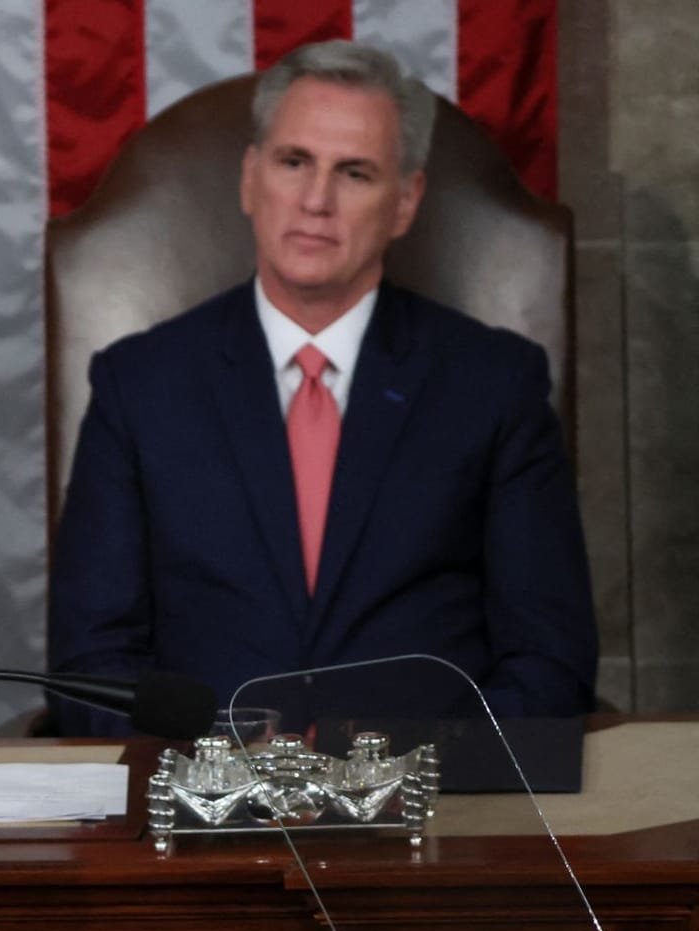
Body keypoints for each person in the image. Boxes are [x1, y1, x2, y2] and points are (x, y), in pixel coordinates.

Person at [47, 41, 597, 736]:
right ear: (250, 179)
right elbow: (90, 668)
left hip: (429, 814)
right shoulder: (139, 386)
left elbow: (550, 665)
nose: (315, 201)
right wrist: (218, 780)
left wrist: (416, 774)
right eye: (294, 162)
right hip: (206, 817)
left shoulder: (494, 385)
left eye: (355, 173)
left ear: (404, 202)